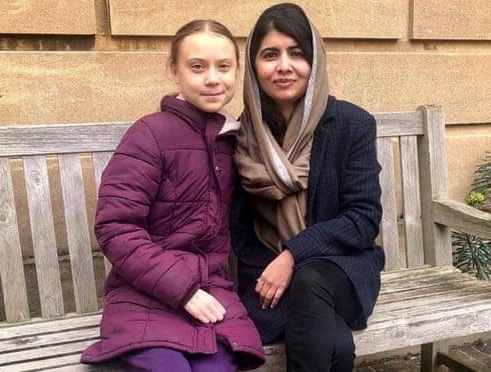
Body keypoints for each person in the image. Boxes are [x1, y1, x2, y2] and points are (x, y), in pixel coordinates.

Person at [81, 19, 265, 372]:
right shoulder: (149, 134)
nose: (212, 78)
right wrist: (185, 291)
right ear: (175, 72)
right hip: (143, 296)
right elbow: (116, 227)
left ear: (237, 71)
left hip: (213, 294)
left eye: (224, 67)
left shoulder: (234, 142)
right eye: (197, 67)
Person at [231, 3, 385, 372]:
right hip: (267, 273)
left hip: (343, 266)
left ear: (314, 61)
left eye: (297, 53)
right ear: (254, 67)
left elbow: (363, 219)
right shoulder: (244, 135)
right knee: (335, 343)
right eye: (270, 55)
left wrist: (294, 255)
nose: (284, 66)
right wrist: (275, 267)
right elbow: (240, 230)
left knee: (312, 279)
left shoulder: (351, 124)